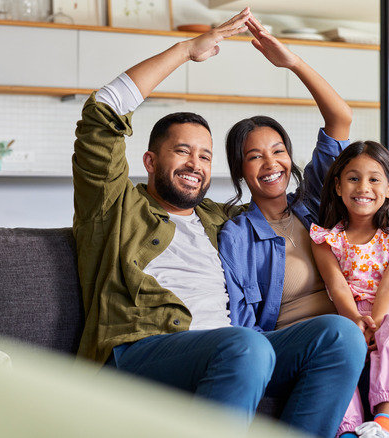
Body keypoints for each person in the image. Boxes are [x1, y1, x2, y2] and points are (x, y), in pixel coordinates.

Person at [72, 8, 366, 437]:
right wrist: (187, 49)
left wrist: (292, 64)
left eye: (205, 156)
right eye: (183, 152)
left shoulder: (224, 221)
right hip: (139, 351)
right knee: (244, 346)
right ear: (150, 161)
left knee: (340, 335)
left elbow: (337, 131)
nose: (195, 164)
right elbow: (101, 115)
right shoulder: (113, 207)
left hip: (235, 350)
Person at [218, 17, 389, 438]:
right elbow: (242, 322)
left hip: (366, 326)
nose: (270, 162)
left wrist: (292, 62)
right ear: (240, 169)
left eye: (278, 150)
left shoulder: (315, 206)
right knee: (382, 354)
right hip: (311, 345)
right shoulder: (237, 234)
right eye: (254, 156)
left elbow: (340, 118)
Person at [309, 141, 389, 438]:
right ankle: (349, 432)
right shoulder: (326, 239)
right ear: (338, 187)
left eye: (374, 179)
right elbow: (338, 287)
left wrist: (376, 325)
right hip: (351, 317)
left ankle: (386, 423)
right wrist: (356, 323)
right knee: (334, 351)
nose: (363, 187)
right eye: (353, 178)